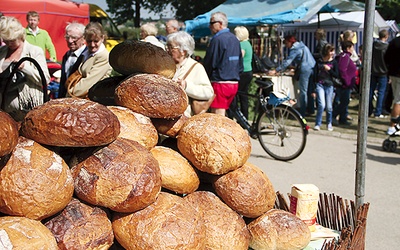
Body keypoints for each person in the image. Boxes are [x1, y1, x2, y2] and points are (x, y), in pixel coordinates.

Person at [0, 16, 50, 121]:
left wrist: (25, 67)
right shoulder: (2, 51)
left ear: (20, 35)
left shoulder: (35, 51)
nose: (9, 44)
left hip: (29, 110)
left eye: (12, 40)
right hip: (5, 109)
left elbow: (45, 79)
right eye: (6, 40)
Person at [203, 12, 243, 116]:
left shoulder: (217, 40)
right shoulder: (235, 39)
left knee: (217, 116)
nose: (210, 26)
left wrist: (203, 76)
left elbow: (210, 62)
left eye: (212, 23)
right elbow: (240, 62)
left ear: (220, 23)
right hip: (234, 83)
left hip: (220, 83)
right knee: (226, 114)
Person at [166, 31, 214, 117]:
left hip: (185, 118)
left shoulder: (196, 67)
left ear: (183, 51)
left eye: (171, 47)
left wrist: (187, 86)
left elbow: (209, 92)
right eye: (167, 46)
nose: (167, 50)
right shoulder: (166, 66)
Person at [271, 35, 316, 117]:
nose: (286, 45)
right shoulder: (302, 45)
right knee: (310, 90)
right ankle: (311, 109)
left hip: (305, 70)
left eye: (286, 43)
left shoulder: (295, 49)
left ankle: (302, 113)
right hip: (312, 67)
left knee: (303, 92)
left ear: (290, 42)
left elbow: (288, 62)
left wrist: (276, 70)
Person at [65, 22, 112, 98]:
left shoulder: (103, 56)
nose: (92, 45)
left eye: (96, 41)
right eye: (89, 41)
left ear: (102, 38)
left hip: (94, 99)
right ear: (85, 39)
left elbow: (88, 83)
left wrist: (70, 91)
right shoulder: (87, 54)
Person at [312, 44, 338, 131]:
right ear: (326, 52)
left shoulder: (334, 62)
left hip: (329, 85)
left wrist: (329, 70)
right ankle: (317, 124)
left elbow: (336, 75)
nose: (333, 53)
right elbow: (314, 75)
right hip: (320, 84)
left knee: (329, 106)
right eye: (331, 51)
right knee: (321, 105)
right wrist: (313, 89)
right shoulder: (319, 62)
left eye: (333, 51)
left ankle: (329, 123)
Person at [58, 22, 87, 98]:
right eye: (67, 37)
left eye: (74, 37)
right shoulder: (66, 56)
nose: (70, 41)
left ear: (83, 38)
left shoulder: (88, 56)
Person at [229, 26, 253, 119]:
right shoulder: (248, 43)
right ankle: (244, 117)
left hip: (242, 72)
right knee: (244, 96)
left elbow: (239, 58)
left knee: (235, 96)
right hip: (248, 71)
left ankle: (236, 116)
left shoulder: (242, 44)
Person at [332, 41, 357, 126]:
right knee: (344, 102)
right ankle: (333, 115)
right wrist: (346, 81)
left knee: (344, 102)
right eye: (352, 47)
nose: (353, 49)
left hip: (347, 84)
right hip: (345, 84)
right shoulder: (345, 57)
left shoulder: (345, 57)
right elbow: (342, 70)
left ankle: (343, 119)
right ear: (348, 48)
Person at [369, 29, 389, 118]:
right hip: (383, 71)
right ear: (386, 36)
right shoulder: (387, 47)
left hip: (373, 70)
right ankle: (378, 111)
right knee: (381, 92)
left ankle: (368, 109)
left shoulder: (373, 45)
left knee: (370, 92)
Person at [384, 34, 400, 135]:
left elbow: (386, 57)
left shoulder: (394, 41)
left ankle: (395, 125)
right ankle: (392, 126)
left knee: (396, 98)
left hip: (393, 73)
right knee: (398, 100)